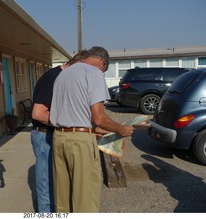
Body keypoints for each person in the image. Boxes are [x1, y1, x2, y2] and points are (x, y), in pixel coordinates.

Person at [49, 46, 134, 212]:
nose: (102, 73)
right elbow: (99, 118)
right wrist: (121, 129)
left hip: (59, 138)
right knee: (85, 200)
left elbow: (75, 112)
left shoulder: (63, 74)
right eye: (104, 70)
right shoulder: (93, 73)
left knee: (62, 199)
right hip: (80, 143)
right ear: (102, 62)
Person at [30, 50, 88, 212]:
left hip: (53, 135)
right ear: (77, 65)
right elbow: (39, 113)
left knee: (57, 182)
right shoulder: (53, 78)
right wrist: (68, 124)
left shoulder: (64, 77)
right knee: (47, 184)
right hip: (44, 136)